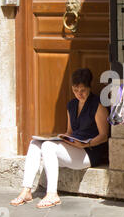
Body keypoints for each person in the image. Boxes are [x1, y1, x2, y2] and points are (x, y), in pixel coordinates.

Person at [10, 68, 109, 208]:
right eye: (75, 90)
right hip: (74, 148)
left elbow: (104, 136)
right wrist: (61, 138)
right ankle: (26, 190)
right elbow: (70, 131)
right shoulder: (71, 105)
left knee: (47, 146)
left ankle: (52, 194)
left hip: (89, 152)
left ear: (89, 87)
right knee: (35, 143)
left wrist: (86, 145)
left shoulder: (98, 105)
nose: (79, 94)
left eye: (82, 90)